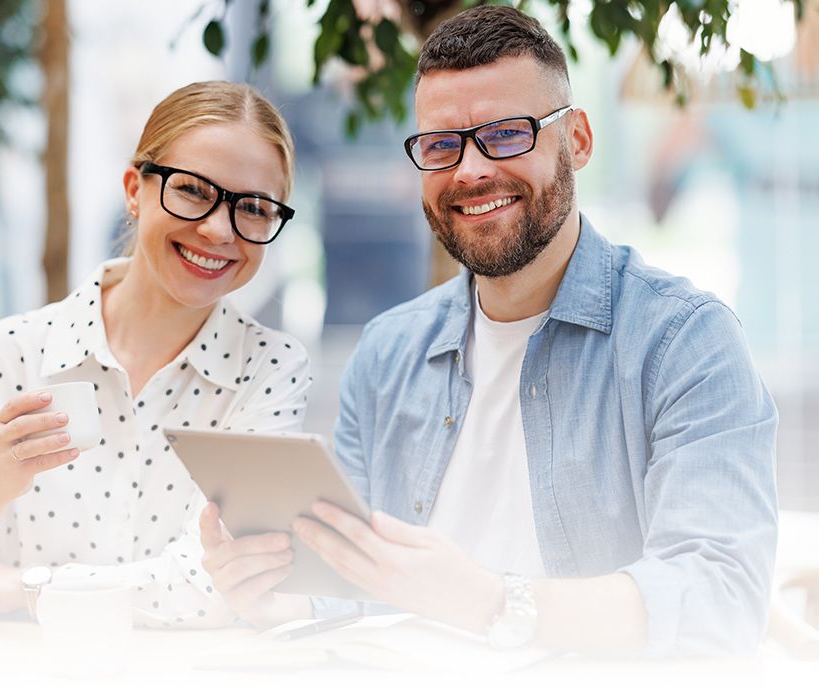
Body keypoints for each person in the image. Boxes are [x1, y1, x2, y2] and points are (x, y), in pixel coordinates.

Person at [200, 6, 778, 656]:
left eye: (506, 134)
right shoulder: (388, 352)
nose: (471, 170)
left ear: (579, 140)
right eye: (442, 145)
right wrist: (287, 598)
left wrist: (493, 603)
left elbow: (721, 601)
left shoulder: (686, 344)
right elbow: (358, 581)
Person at [0, 81, 310, 627]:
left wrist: (22, 588)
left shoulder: (271, 368)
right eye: (193, 191)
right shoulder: (15, 352)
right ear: (135, 190)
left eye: (252, 207)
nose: (218, 229)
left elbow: (210, 590)